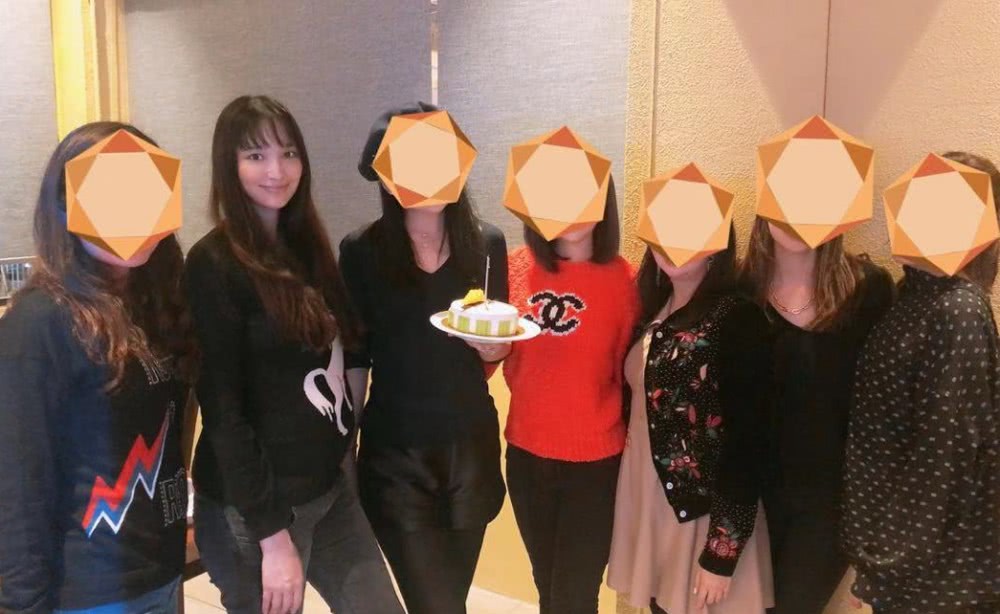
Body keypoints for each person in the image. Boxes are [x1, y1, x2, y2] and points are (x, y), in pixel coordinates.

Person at [185, 95, 401, 614]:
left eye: (288, 153)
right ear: (228, 164)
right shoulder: (212, 263)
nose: (276, 171)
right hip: (256, 514)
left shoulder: (307, 247)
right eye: (255, 155)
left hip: (328, 491)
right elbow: (223, 414)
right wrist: (272, 538)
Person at [0, 122, 196, 613]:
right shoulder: (38, 322)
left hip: (162, 569)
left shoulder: (158, 304)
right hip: (90, 589)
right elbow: (19, 483)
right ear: (66, 205)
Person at [339, 102, 508, 614]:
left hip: (471, 448)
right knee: (436, 605)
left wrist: (496, 347)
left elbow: (497, 337)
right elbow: (355, 357)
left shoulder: (487, 244)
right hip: (396, 455)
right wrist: (345, 451)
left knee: (448, 600)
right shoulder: (361, 250)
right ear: (387, 175)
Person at [843, 151, 1000, 614]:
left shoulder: (958, 310)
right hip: (896, 552)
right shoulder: (911, 295)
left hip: (934, 577)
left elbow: (945, 454)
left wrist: (885, 567)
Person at [608, 227, 774, 614]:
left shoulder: (737, 317)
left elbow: (748, 442)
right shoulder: (652, 305)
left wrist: (721, 552)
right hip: (645, 493)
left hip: (700, 510)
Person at [741, 218, 893, 614]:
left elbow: (886, 412)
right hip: (747, 503)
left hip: (829, 507)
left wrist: (879, 531)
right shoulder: (738, 291)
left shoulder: (869, 290)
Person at [502, 175, 638, 613]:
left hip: (596, 466)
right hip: (526, 456)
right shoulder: (513, 268)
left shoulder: (627, 282)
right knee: (547, 586)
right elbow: (491, 357)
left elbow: (630, 375)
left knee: (574, 598)